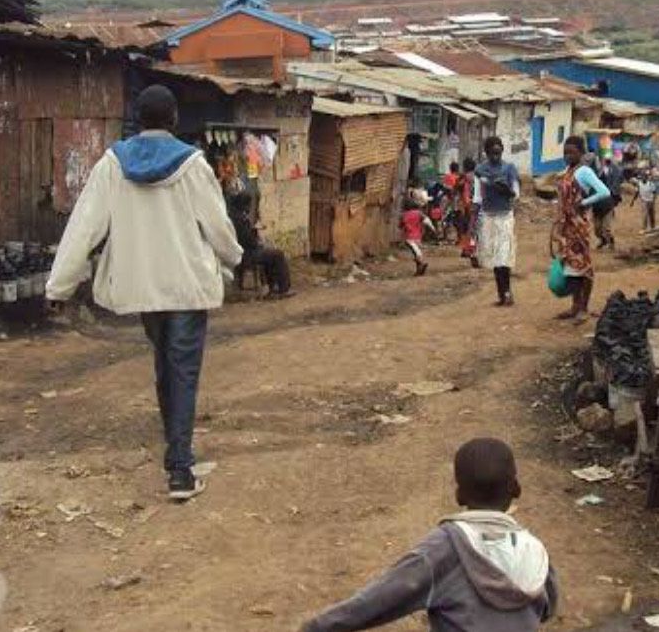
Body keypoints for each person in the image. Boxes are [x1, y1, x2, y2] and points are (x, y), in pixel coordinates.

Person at [47, 85, 242, 501]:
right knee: (182, 370)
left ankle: (176, 452)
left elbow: (84, 227)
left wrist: (60, 285)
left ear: (137, 119)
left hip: (143, 288)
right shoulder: (193, 165)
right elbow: (218, 227)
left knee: (165, 367)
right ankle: (181, 470)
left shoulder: (112, 165)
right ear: (174, 119)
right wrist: (235, 257)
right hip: (187, 287)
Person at [301, 438, 559, 632]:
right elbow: (547, 609)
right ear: (516, 489)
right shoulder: (536, 553)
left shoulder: (445, 547)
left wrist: (317, 626)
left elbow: (379, 601)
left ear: (459, 495)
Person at [553, 136, 611, 322]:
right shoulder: (567, 172)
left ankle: (583, 308)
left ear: (581, 153)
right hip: (566, 226)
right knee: (570, 268)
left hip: (578, 226)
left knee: (583, 267)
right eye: (565, 153)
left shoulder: (584, 171)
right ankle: (575, 306)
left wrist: (584, 203)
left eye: (572, 152)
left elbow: (604, 191)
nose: (568, 156)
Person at [474, 137, 520, 306]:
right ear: (486, 153)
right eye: (492, 153)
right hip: (488, 216)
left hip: (505, 216)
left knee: (504, 256)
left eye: (498, 153)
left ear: (502, 151)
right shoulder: (480, 170)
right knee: (495, 257)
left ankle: (506, 292)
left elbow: (516, 193)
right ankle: (502, 294)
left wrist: (506, 191)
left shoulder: (509, 168)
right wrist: (474, 222)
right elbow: (477, 196)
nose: (495, 156)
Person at [229, 193, 292, 299]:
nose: (249, 208)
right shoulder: (241, 220)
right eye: (248, 205)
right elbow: (248, 240)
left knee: (270, 255)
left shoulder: (233, 217)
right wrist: (256, 236)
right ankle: (283, 288)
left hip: (241, 252)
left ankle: (272, 288)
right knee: (278, 255)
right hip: (247, 254)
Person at [592, 155, 622, 250]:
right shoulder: (593, 182)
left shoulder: (612, 173)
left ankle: (611, 242)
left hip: (607, 206)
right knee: (597, 230)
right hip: (597, 207)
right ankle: (603, 240)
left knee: (606, 229)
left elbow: (615, 185)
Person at [401, 200, 432, 276]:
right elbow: (427, 221)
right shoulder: (419, 213)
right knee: (417, 252)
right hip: (418, 237)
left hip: (409, 237)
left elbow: (400, 225)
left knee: (416, 253)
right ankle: (419, 269)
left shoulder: (404, 215)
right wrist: (432, 228)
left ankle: (421, 264)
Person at [457, 158, 478, 264]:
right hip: (476, 205)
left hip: (467, 205)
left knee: (466, 229)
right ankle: (470, 248)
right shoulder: (477, 176)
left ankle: (468, 249)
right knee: (473, 228)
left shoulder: (464, 177)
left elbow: (460, 189)